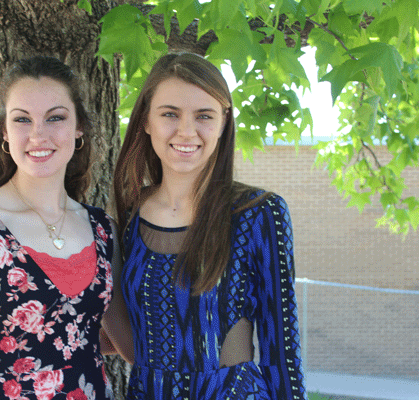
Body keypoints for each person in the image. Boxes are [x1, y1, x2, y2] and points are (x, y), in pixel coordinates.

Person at [112, 52, 307, 399]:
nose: (186, 131)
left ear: (223, 122)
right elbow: (131, 331)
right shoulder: (129, 214)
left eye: (204, 115)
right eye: (170, 114)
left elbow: (283, 351)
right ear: (145, 120)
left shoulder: (258, 213)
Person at [0, 55, 126, 400]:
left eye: (55, 118)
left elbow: (121, 340)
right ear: (5, 132)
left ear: (78, 127)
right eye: (22, 119)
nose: (38, 134)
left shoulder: (102, 230)